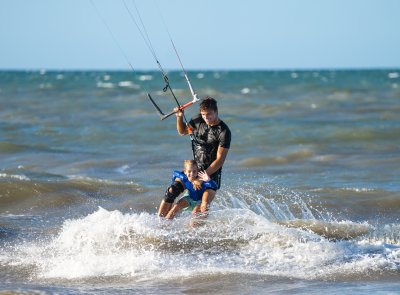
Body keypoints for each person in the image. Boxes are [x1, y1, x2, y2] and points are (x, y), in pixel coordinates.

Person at [158, 96, 231, 217]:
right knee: (171, 191)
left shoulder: (224, 131)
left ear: (216, 112)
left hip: (210, 174)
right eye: (203, 114)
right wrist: (179, 117)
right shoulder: (198, 120)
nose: (206, 118)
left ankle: (197, 235)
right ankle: (159, 224)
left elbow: (220, 160)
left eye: (209, 114)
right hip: (194, 170)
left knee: (200, 209)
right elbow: (182, 132)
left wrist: (201, 178)